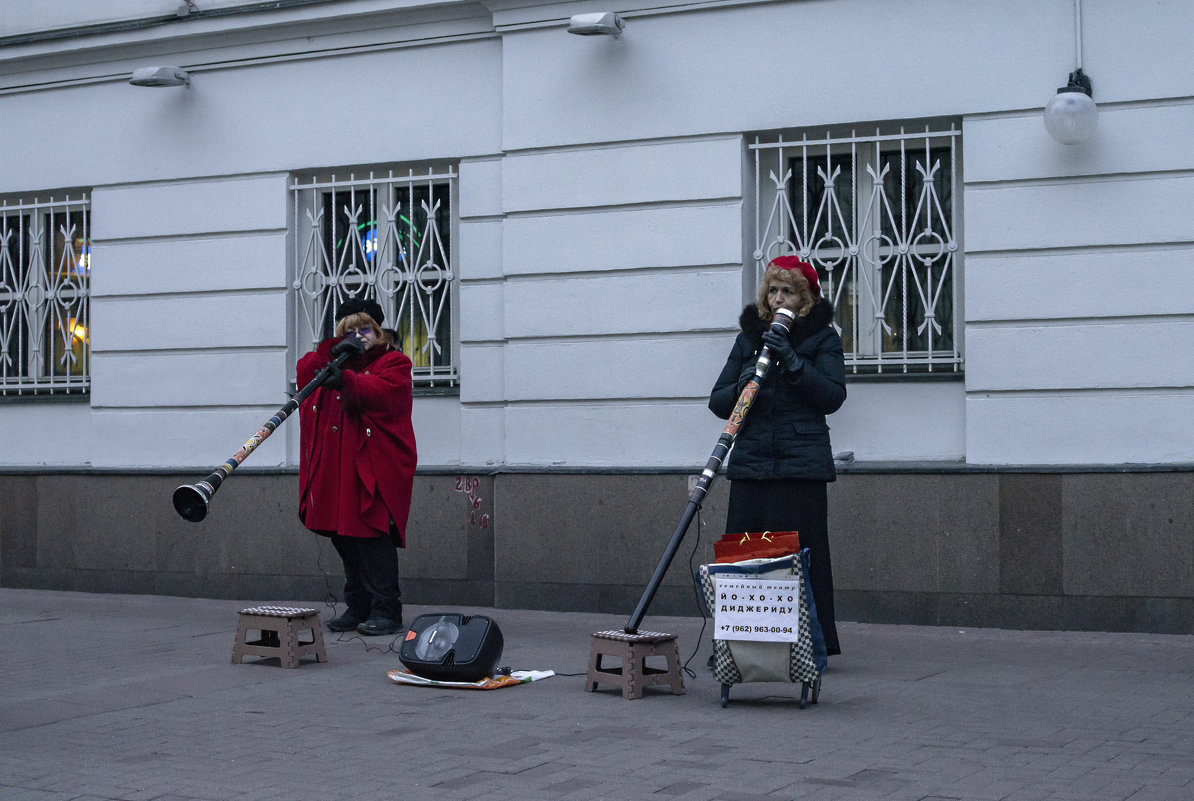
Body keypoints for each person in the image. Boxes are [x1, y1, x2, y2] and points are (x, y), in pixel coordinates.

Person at [708, 256, 846, 655]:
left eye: (787, 290)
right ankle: (743, 643)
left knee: (803, 558)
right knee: (746, 554)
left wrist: (791, 359)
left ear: (803, 298)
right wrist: (749, 376)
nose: (778, 297)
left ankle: (812, 642)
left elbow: (833, 396)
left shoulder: (823, 338)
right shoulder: (750, 339)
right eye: (773, 290)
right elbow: (718, 401)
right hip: (751, 465)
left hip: (800, 468)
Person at [297, 298, 417, 636]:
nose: (358, 335)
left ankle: (386, 610)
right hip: (336, 471)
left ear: (377, 330)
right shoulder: (335, 360)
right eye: (349, 329)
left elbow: (386, 393)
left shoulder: (393, 362)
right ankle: (358, 605)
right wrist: (331, 353)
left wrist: (349, 382)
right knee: (343, 536)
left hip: (371, 470)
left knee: (372, 537)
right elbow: (305, 370)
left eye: (364, 328)